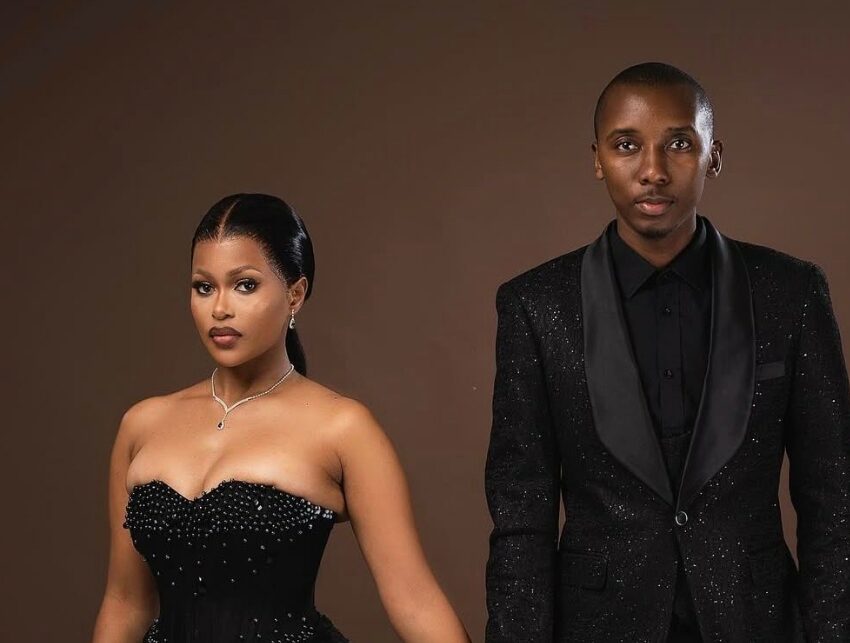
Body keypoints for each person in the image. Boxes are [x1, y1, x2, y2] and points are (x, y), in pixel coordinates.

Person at [484, 62, 850, 642]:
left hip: (756, 622)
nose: (653, 170)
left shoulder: (791, 292)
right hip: (598, 628)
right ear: (598, 159)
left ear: (713, 155)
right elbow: (520, 515)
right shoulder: (536, 305)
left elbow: (834, 497)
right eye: (626, 145)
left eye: (679, 143)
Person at [93, 193, 469, 643]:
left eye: (245, 285)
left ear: (295, 294)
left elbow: (414, 600)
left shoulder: (343, 428)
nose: (219, 308)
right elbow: (125, 603)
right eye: (204, 287)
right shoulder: (141, 425)